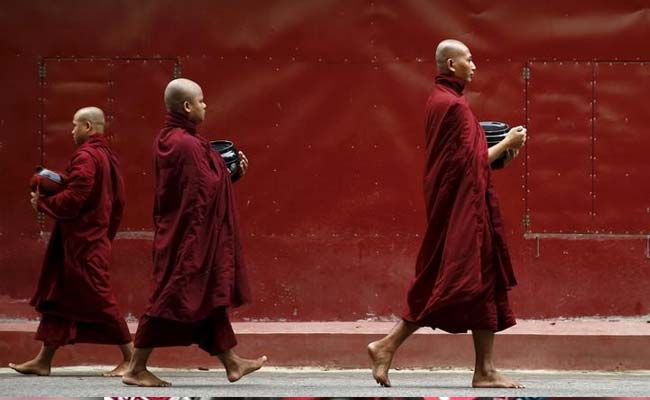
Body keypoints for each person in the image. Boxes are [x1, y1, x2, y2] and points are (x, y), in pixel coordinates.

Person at [367, 39, 527, 388]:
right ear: (451, 64)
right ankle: (386, 345)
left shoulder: (440, 100)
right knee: (449, 282)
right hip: (462, 213)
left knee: (486, 281)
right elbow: (468, 165)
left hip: (464, 206)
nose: (475, 66)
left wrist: (492, 155)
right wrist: (508, 144)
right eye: (469, 60)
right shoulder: (453, 105)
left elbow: (461, 162)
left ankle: (484, 370)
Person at [122, 78, 267, 387]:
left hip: (179, 229)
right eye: (201, 101)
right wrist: (229, 173)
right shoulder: (187, 144)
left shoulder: (168, 138)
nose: (205, 106)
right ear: (187, 106)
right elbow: (203, 191)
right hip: (189, 236)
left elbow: (198, 185)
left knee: (206, 295)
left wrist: (226, 174)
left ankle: (232, 363)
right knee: (169, 295)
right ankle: (136, 368)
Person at [9, 107, 133, 377]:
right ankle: (43, 361)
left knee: (100, 297)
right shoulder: (105, 156)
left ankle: (132, 358)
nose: (72, 130)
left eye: (75, 125)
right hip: (89, 238)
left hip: (84, 242)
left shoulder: (86, 156)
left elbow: (76, 198)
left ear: (88, 126)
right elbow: (114, 199)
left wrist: (43, 203)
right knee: (59, 298)